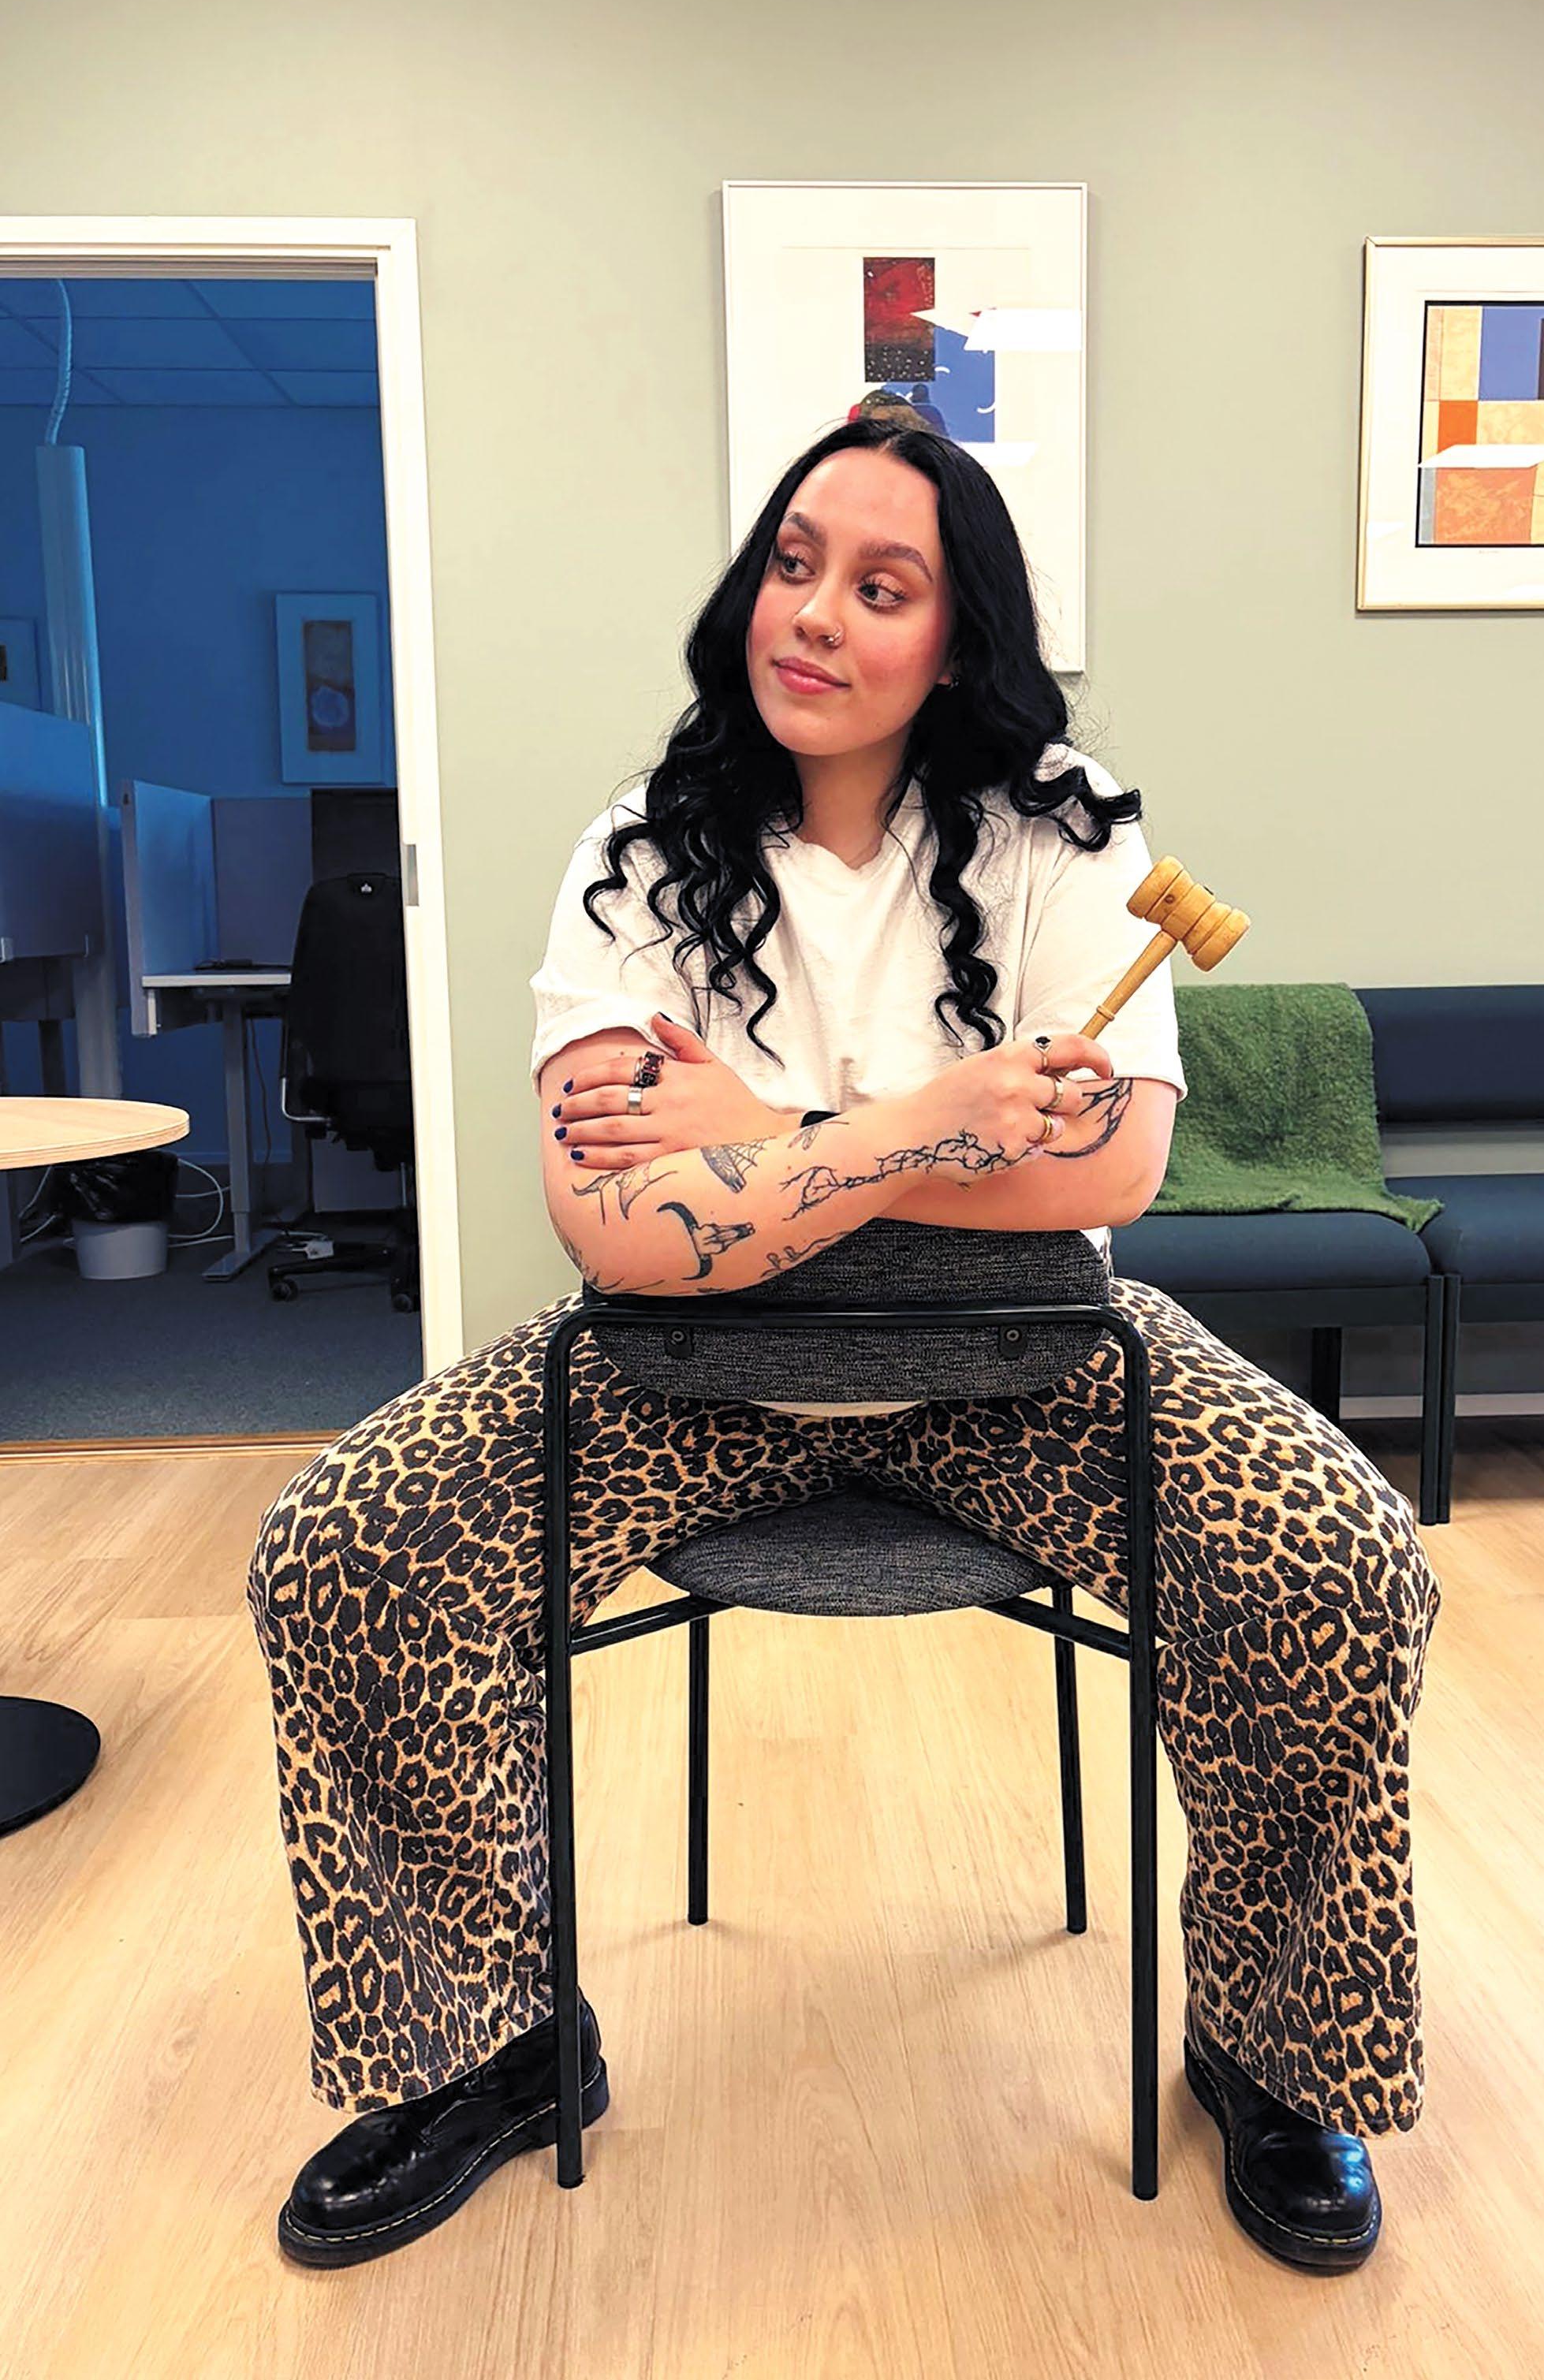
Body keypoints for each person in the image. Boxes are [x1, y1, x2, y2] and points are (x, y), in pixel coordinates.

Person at [247, 413, 1441, 2276]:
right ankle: (489, 2048)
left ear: (954, 643)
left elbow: (1109, 1167)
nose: (811, 614)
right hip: (675, 1377)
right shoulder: (638, 852)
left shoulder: (1063, 828)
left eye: (880, 588)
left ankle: (1269, 2050)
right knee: (342, 1552)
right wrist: (930, 1123)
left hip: (1028, 1367)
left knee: (1340, 1559)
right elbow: (614, 1225)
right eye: (793, 563)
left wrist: (755, 1136)